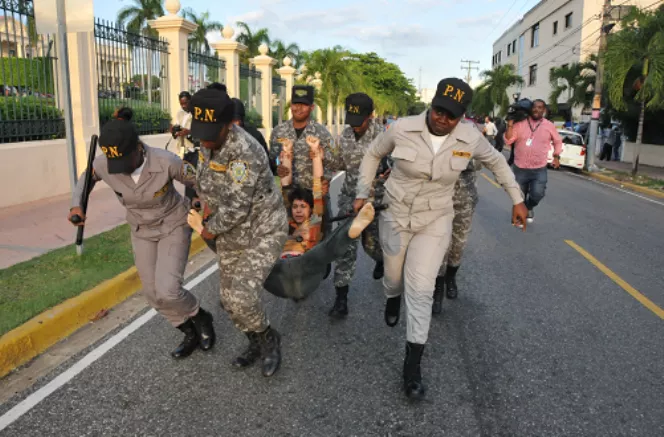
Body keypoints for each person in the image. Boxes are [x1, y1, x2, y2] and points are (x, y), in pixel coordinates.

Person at [353, 78, 527, 400]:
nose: (442, 119)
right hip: (395, 212)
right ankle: (392, 296)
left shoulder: (470, 137)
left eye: (451, 115)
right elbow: (372, 155)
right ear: (431, 105)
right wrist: (363, 192)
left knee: (420, 288)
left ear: (461, 116)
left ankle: (413, 365)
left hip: (435, 219)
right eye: (438, 110)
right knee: (393, 276)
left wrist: (516, 198)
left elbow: (498, 162)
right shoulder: (402, 128)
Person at [68, 119, 216, 359]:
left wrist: (201, 200)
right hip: (141, 229)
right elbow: (87, 179)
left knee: (168, 290)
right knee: (152, 293)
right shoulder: (104, 163)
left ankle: (200, 316)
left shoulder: (166, 161)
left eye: (125, 161)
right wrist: (77, 206)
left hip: (173, 224)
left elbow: (198, 181)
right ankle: (188, 330)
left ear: (138, 147)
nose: (122, 168)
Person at [185, 88, 288, 377]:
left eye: (210, 132)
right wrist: (199, 199)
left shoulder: (245, 151)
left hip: (262, 227)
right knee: (228, 299)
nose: (203, 139)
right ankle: (254, 341)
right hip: (232, 231)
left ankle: (269, 339)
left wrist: (207, 229)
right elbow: (206, 177)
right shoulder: (208, 140)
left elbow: (236, 207)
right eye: (200, 131)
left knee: (242, 295)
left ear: (229, 124)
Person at [320, 93, 386, 318]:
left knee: (373, 246)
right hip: (349, 200)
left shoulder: (384, 137)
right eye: (352, 121)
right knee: (344, 249)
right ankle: (341, 299)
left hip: (376, 202)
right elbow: (339, 163)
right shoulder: (346, 135)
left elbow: (397, 167)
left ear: (371, 116)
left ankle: (380, 259)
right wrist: (324, 166)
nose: (355, 127)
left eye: (361, 122)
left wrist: (388, 172)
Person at [433, 154, 481, 313]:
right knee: (440, 246)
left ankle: (451, 276)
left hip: (464, 201)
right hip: (437, 200)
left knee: (458, 246)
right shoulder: (432, 132)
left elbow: (478, 162)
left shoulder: (469, 136)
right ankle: (437, 288)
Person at [504, 99, 562, 224]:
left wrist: (556, 156)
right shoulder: (520, 124)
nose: (537, 109)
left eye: (540, 107)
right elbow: (508, 141)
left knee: (538, 194)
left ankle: (528, 207)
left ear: (544, 110)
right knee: (519, 196)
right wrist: (510, 124)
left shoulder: (549, 125)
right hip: (520, 168)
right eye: (534, 107)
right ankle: (519, 215)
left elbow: (557, 141)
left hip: (539, 168)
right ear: (530, 109)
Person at [230, 97, 276, 175]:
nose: (232, 125)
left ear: (241, 120)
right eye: (229, 121)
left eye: (235, 121)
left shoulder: (254, 136)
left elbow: (268, 164)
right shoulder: (220, 137)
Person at [170, 91, 194, 159]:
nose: (183, 106)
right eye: (181, 104)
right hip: (181, 147)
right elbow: (172, 124)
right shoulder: (180, 112)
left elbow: (202, 129)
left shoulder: (196, 113)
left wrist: (188, 132)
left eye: (186, 103)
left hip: (193, 147)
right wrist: (174, 132)